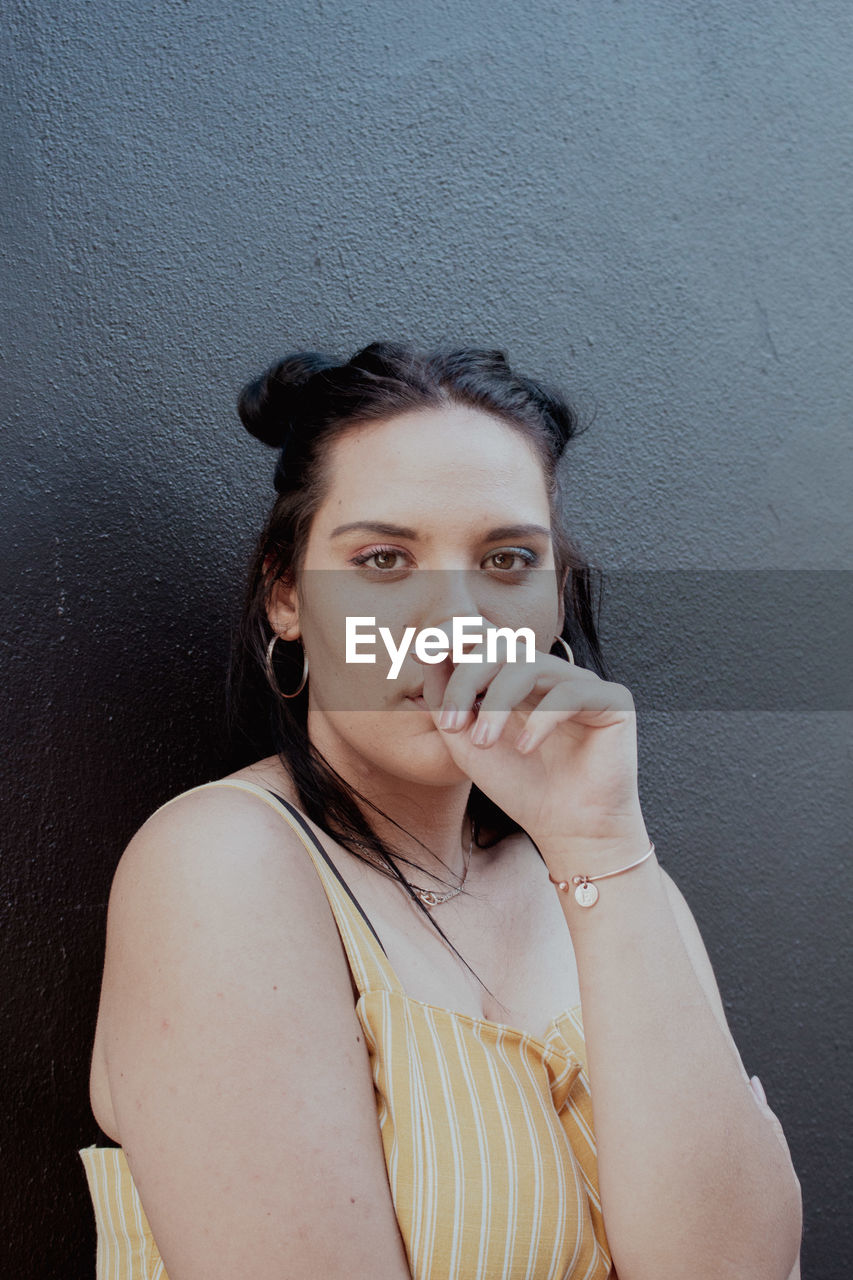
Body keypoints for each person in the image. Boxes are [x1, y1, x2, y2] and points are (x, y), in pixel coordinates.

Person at [80, 342, 802, 1280]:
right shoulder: (223, 865)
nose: (455, 619)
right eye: (384, 559)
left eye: (507, 558)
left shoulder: (616, 881)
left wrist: (601, 845)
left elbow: (737, 1269)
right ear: (287, 594)